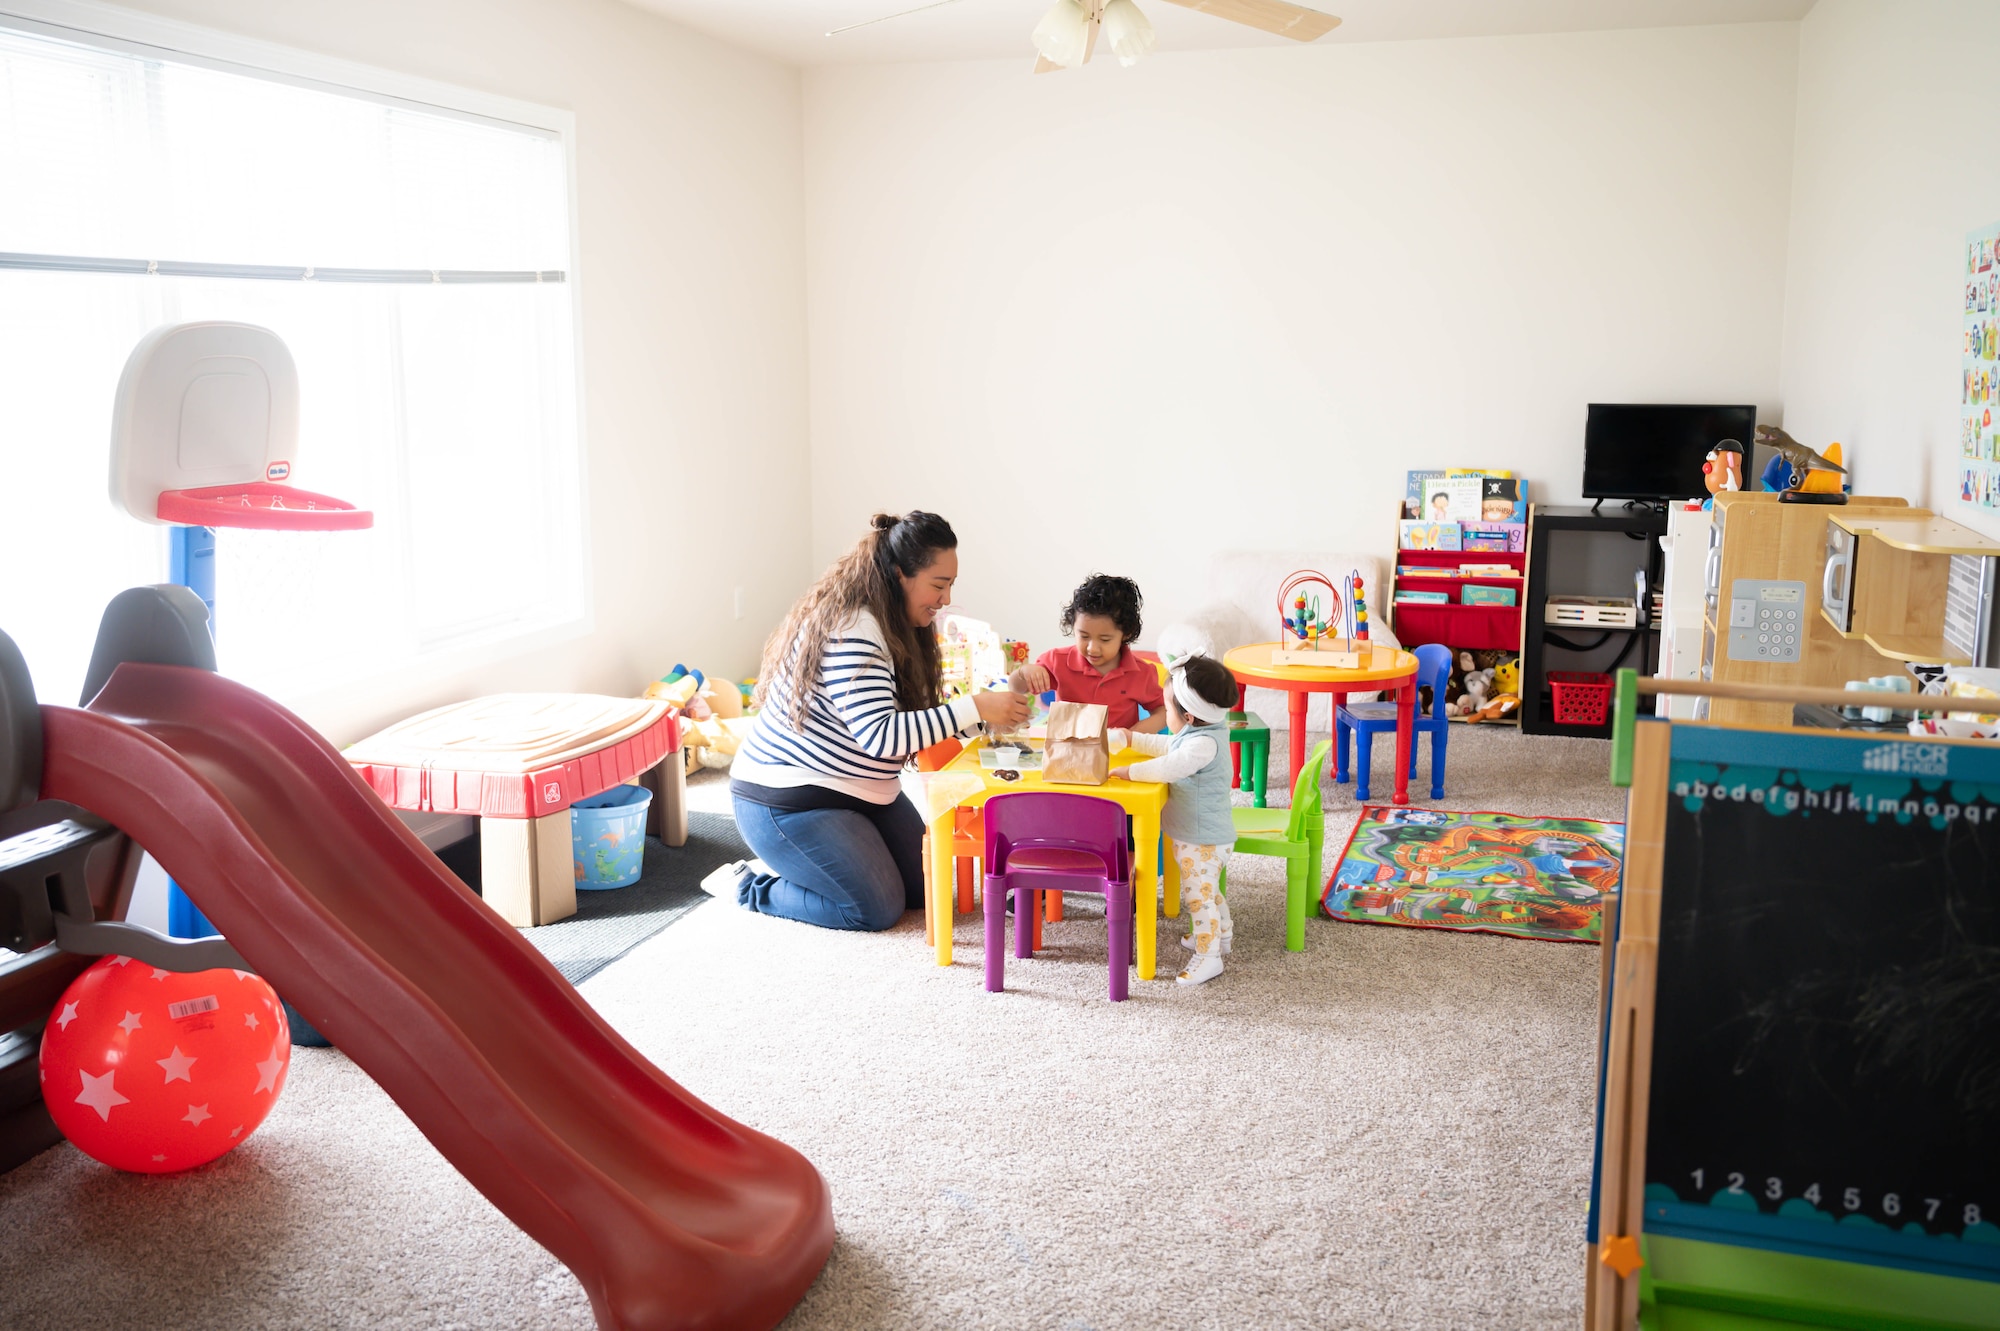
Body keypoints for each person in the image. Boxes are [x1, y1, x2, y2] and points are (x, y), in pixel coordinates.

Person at [705, 511, 1034, 931]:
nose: (946, 599)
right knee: (873, 909)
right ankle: (751, 887)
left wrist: (993, 715)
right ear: (900, 574)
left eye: (951, 585)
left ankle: (817, 862)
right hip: (789, 798)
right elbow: (880, 737)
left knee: (924, 890)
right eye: (938, 584)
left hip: (862, 792)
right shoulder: (853, 628)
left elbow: (916, 719)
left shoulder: (899, 621)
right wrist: (977, 708)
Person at [1108, 651, 1239, 986]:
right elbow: (1166, 747)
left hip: (1203, 838)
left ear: (1190, 716)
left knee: (1199, 896)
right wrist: (1131, 737)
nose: (1165, 714)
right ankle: (1221, 937)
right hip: (1200, 835)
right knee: (1208, 891)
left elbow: (1168, 766)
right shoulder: (1201, 733)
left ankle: (1209, 958)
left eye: (1167, 709)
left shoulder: (1202, 746)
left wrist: (1129, 771)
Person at [1005, 573, 1167, 733]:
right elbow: (1016, 688)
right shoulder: (1056, 660)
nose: (1092, 648)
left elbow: (1163, 710)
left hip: (1117, 753)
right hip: (1066, 750)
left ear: (1126, 633)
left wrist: (1134, 733)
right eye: (1084, 636)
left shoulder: (1141, 673)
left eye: (1104, 639)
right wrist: (1024, 672)